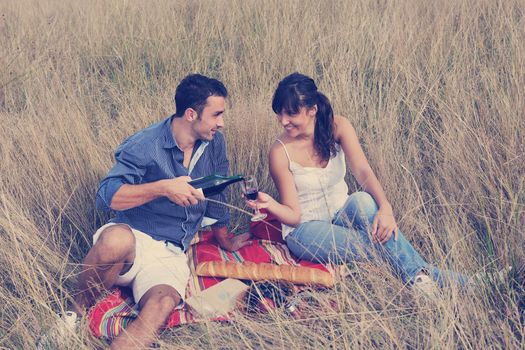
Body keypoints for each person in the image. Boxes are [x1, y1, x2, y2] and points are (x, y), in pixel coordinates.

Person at [72, 74, 252, 349]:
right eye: (216, 114)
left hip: (171, 252)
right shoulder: (146, 144)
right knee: (114, 241)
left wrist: (224, 238)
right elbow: (106, 197)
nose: (221, 122)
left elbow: (217, 191)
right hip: (134, 239)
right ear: (191, 114)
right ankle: (73, 315)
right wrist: (164, 188)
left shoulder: (215, 142)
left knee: (162, 304)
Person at [247, 72, 467, 292]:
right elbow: (294, 217)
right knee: (380, 245)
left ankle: (422, 281)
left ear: (312, 110)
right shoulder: (279, 152)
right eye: (280, 113)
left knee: (363, 200)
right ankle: (448, 282)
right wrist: (270, 205)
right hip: (306, 229)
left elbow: (363, 171)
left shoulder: (338, 127)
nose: (283, 121)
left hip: (342, 212)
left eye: (291, 113)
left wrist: (385, 207)